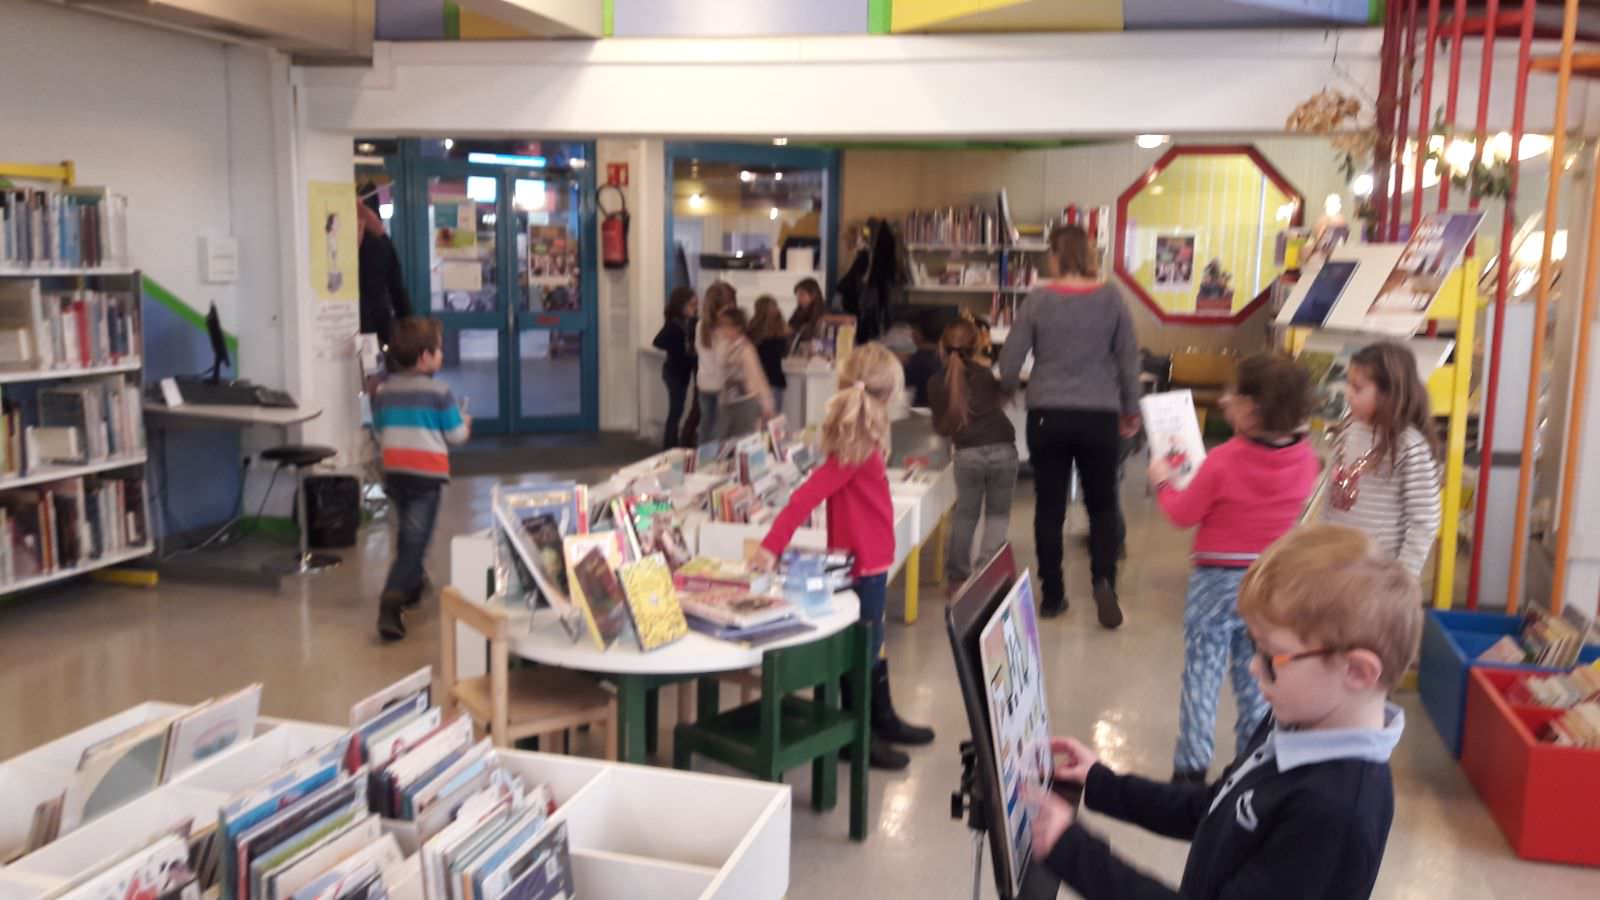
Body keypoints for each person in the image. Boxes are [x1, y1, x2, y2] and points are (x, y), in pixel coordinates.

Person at [1029, 525, 1420, 900]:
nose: (1253, 667)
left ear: (1357, 672)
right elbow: (1216, 806)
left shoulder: (1335, 815)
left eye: (1270, 656)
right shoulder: (1294, 723)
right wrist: (1103, 783)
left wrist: (1074, 852)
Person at [748, 343, 934, 770]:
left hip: (874, 559)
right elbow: (805, 497)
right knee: (862, 650)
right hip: (863, 564)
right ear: (885, 396)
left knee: (875, 643)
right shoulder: (856, 448)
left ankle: (881, 718)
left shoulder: (866, 439)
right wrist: (770, 546)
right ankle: (859, 737)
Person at [1148, 353, 1319, 783]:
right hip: (1270, 584)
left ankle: (1190, 768)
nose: (1225, 401)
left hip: (1215, 583)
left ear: (1252, 408)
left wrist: (1163, 483)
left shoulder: (1224, 460)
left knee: (1202, 673)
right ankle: (1253, 760)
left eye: (1234, 396)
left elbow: (1183, 514)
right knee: (1259, 674)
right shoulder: (1306, 461)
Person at [998, 224, 1140, 626]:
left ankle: (1053, 595)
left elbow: (1011, 358)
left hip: (1048, 414)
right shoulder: (1112, 297)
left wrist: (1007, 388)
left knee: (1049, 506)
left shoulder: (1038, 300)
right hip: (1099, 413)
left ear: (1055, 256)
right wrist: (1130, 410)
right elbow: (1128, 359)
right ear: (1090, 255)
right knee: (1103, 504)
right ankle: (1103, 581)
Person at [370, 318, 471, 642]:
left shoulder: (384, 392)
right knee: (416, 541)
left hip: (396, 473)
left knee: (408, 531)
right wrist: (465, 422)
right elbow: (455, 435)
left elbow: (378, 431)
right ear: (425, 357)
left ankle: (412, 586)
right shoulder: (440, 393)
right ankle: (391, 600)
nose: (442, 355)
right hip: (426, 476)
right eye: (439, 349)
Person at [1321, 342, 1442, 577]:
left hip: (1378, 574)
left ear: (1389, 393)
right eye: (1349, 385)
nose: (1348, 394)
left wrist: (1403, 576)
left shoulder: (1409, 445)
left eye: (1357, 388)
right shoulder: (1349, 430)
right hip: (1337, 563)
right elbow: (1331, 495)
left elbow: (1424, 520)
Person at [927, 318, 1017, 585]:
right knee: (998, 514)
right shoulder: (985, 374)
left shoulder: (935, 382)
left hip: (967, 455)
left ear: (941, 347)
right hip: (1003, 448)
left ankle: (957, 576)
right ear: (976, 346)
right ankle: (988, 576)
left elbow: (942, 429)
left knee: (966, 513)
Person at [356, 195, 413, 350]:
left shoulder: (377, 244)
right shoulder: (383, 243)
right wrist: (409, 326)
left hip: (362, 325)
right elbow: (397, 288)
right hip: (378, 324)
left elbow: (396, 287)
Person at [713, 306, 774, 441]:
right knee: (722, 442)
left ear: (737, 328)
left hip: (746, 403)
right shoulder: (724, 345)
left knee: (744, 443)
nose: (721, 329)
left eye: (725, 326)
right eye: (720, 325)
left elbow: (758, 376)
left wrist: (767, 405)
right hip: (727, 403)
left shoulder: (746, 348)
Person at [652, 287, 698, 449]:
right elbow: (658, 341)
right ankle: (669, 446)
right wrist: (678, 349)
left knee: (677, 411)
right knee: (675, 412)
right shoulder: (674, 326)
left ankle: (672, 445)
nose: (695, 309)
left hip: (680, 373)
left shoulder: (688, 324)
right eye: (691, 305)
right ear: (682, 306)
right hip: (675, 373)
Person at [695, 281, 738, 443]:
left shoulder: (700, 326)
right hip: (722, 385)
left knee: (706, 426)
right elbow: (723, 360)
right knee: (721, 431)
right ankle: (716, 463)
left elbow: (700, 351)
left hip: (704, 383)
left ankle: (703, 461)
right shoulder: (724, 329)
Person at [748, 294, 790, 412]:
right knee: (773, 421)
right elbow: (784, 353)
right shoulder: (779, 333)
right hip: (774, 379)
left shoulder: (752, 331)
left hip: (754, 382)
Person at [902, 312, 943, 408]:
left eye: (913, 329)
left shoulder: (911, 362)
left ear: (918, 334)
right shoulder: (950, 361)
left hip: (916, 417)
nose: (911, 333)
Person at [789, 277, 827, 350]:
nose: (798, 298)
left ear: (813, 295)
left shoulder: (821, 312)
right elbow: (791, 325)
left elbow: (816, 336)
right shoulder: (799, 310)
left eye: (802, 295)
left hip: (815, 350)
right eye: (797, 295)